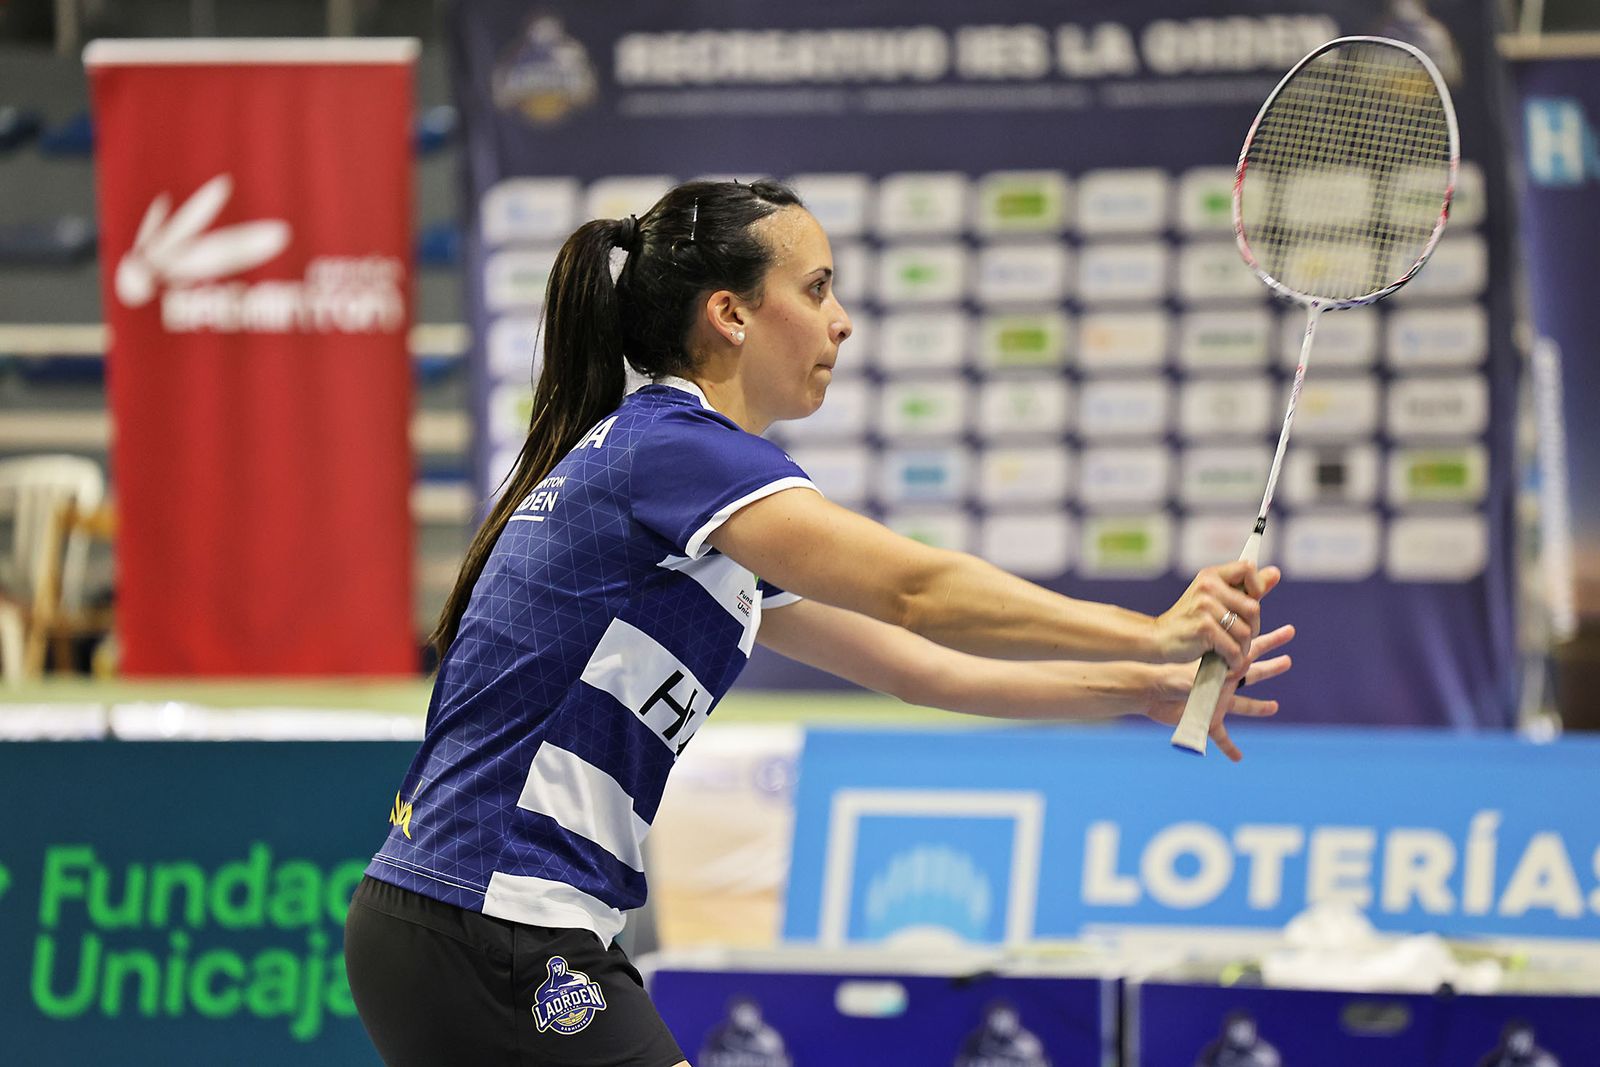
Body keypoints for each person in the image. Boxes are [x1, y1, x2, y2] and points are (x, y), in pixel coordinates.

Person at [343, 178, 1294, 1067]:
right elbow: (918, 592)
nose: (842, 319)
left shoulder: (684, 491)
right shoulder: (678, 451)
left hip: (453, 918)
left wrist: (1142, 687)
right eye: (816, 288)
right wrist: (1150, 630)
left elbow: (921, 669)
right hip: (498, 918)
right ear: (731, 313)